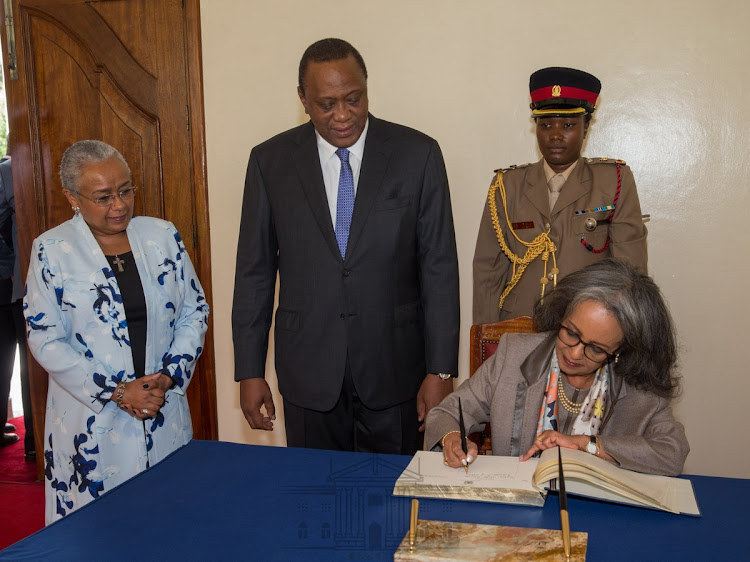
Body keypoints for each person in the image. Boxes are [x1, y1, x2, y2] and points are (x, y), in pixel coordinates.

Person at [233, 38, 459, 455]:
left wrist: (441, 370)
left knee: (395, 502)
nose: (342, 116)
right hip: (308, 372)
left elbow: (439, 269)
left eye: (353, 99)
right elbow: (255, 272)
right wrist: (249, 370)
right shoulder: (270, 162)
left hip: (395, 369)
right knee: (317, 504)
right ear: (302, 99)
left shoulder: (418, 155)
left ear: (367, 88)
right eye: (326, 104)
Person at [24, 140, 209, 523]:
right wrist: (118, 390)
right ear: (72, 197)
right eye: (104, 196)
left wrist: (168, 377)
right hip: (90, 423)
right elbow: (44, 337)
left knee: (168, 525)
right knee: (98, 534)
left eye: (126, 190)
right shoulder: (52, 250)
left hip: (163, 405)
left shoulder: (162, 236)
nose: (120, 205)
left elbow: (194, 309)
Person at [426, 259, 689, 477]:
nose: (574, 353)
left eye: (596, 349)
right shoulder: (514, 355)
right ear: (562, 314)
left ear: (621, 349)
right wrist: (451, 437)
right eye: (571, 332)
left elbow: (672, 452)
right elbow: (446, 412)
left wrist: (588, 446)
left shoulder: (640, 384)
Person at [473, 67, 648, 324]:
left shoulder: (613, 181)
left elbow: (629, 273)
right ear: (536, 129)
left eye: (568, 125)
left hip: (587, 332)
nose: (555, 135)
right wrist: (486, 339)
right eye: (545, 125)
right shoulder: (506, 186)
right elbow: (488, 271)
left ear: (586, 128)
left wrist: (620, 336)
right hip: (518, 328)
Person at [0, 156, 34, 456]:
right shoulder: (9, 170)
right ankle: (34, 445)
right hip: (17, 286)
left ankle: (35, 443)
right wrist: (8, 267)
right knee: (28, 363)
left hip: (18, 284)